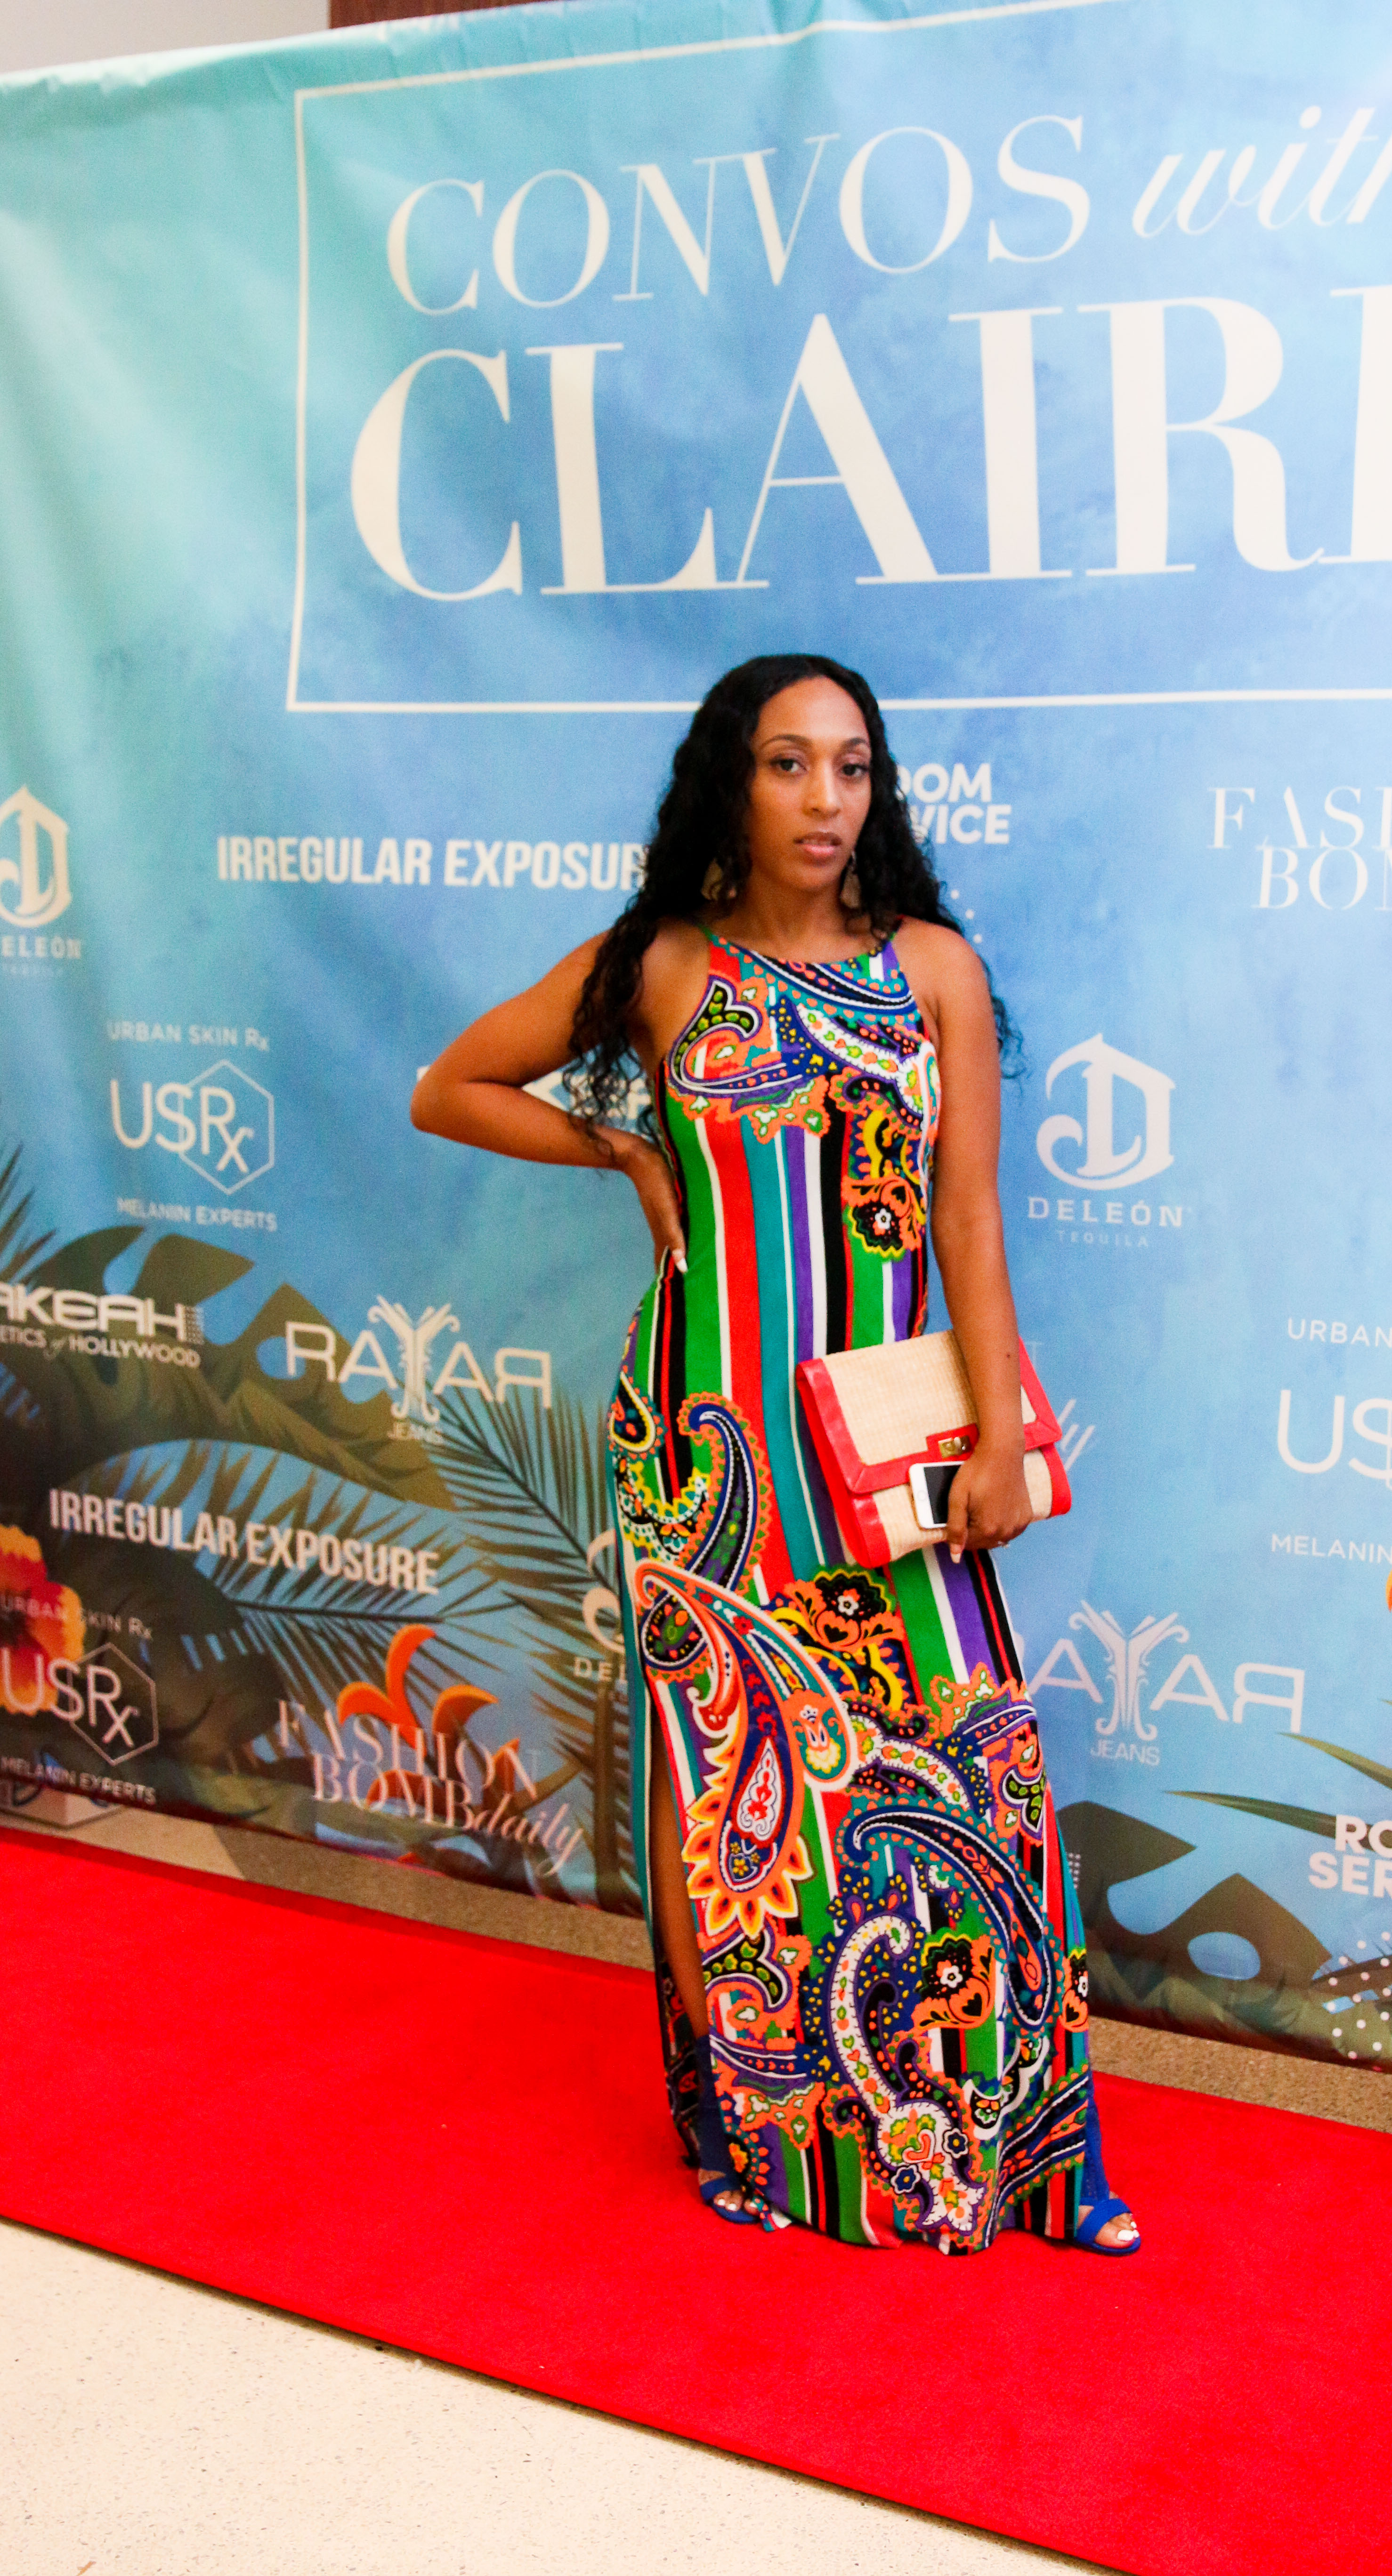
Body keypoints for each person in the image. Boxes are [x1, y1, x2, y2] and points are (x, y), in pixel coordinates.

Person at [412, 652, 1137, 2256]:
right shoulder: (666, 965)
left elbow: (967, 1222)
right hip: (706, 1434)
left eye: (853, 767)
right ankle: (752, 2135)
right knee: (733, 1790)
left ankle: (1039, 2151)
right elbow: (448, 1087)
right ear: (730, 783)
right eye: (791, 763)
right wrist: (621, 1146)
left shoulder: (932, 970)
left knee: (973, 1763)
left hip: (887, 1441)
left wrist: (998, 1435)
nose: (827, 799)